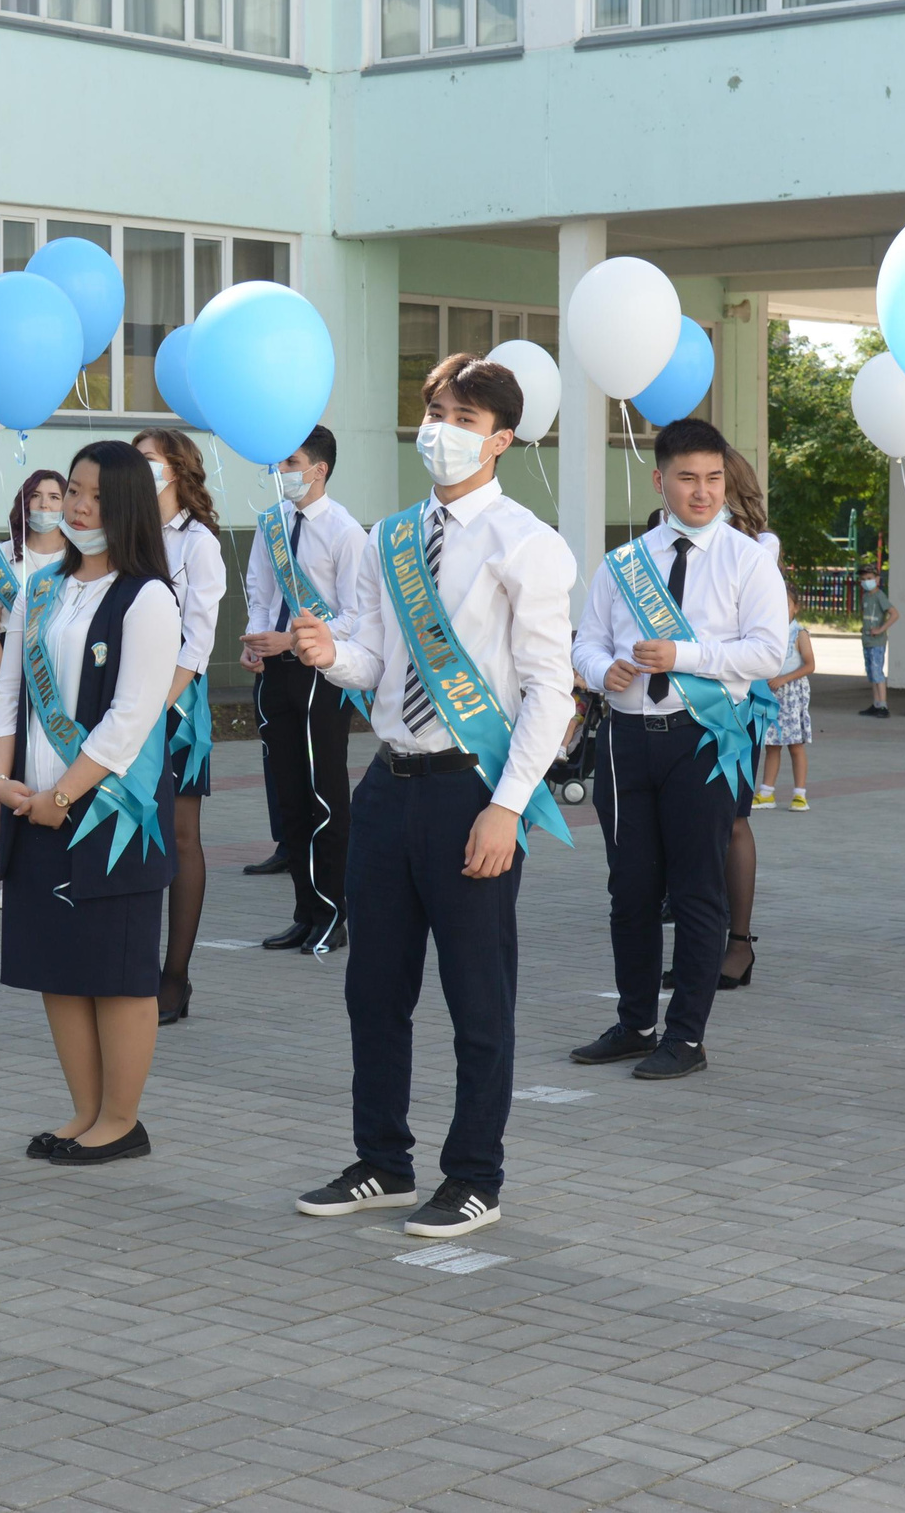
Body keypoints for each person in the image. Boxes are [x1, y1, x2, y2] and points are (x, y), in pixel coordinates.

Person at [289, 355, 577, 1238]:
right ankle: (383, 1161)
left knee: (477, 998)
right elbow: (377, 660)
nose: (439, 429)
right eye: (433, 410)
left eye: (459, 416)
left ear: (500, 438)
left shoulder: (528, 542)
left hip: (471, 792)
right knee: (374, 992)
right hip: (389, 786)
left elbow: (549, 691)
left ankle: (476, 1175)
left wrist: (507, 805)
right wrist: (328, 655)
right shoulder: (391, 538)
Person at [569, 416, 789, 1077]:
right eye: (688, 479)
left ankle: (685, 1037)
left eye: (714, 478)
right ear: (660, 479)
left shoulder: (749, 560)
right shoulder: (623, 563)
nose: (702, 492)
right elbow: (585, 641)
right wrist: (596, 670)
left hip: (705, 741)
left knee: (697, 891)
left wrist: (682, 654)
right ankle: (635, 1021)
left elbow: (767, 652)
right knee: (631, 890)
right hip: (627, 739)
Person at [0, 440, 180, 1165]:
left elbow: (132, 718)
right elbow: (9, 691)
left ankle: (122, 1122)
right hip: (35, 807)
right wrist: (2, 781)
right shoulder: (42, 585)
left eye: (95, 495)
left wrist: (60, 795)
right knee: (58, 967)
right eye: (72, 490)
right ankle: (84, 1111)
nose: (77, 506)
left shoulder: (149, 597)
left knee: (116, 972)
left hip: (111, 817)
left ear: (126, 505)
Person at [240, 426, 367, 961]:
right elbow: (259, 590)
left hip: (321, 675)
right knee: (289, 796)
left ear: (320, 469)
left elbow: (359, 616)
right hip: (275, 675)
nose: (283, 472)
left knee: (324, 798)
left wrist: (292, 638)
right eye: (280, 462)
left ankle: (333, 912)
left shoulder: (345, 531)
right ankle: (303, 912)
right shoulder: (271, 524)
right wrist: (256, 639)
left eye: (292, 462)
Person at [133, 428, 227, 1025]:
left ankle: (176, 975)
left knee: (181, 835)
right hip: (121, 701)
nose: (140, 471)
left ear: (177, 470)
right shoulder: (124, 534)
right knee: (134, 829)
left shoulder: (198, 543)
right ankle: (133, 965)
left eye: (149, 462)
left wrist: (153, 705)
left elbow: (199, 640)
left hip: (176, 706)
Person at [0, 469, 67, 912]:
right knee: (8, 779)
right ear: (23, 503)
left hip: (66, 681)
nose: (46, 507)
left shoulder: (79, 554)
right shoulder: (0, 558)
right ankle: (12, 875)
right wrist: (12, 675)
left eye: (55, 497)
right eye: (38, 497)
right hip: (11, 679)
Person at [719, 450, 783, 981]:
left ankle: (738, 943)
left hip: (737, 702)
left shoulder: (759, 546)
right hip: (678, 698)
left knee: (732, 818)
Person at [754, 589, 816, 810]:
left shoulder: (799, 633)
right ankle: (766, 793)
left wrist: (783, 679)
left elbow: (810, 665)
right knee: (771, 745)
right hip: (771, 695)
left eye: (786, 605)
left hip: (791, 696)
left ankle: (800, 794)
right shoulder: (767, 633)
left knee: (795, 745)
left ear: (796, 607)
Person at [856, 562, 897, 717]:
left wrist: (881, 629)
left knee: (877, 673)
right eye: (864, 579)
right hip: (867, 640)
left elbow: (894, 614)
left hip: (877, 642)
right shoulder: (866, 596)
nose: (866, 581)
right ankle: (876, 703)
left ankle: (883, 706)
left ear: (877, 579)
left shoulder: (880, 596)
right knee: (872, 673)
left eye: (870, 578)